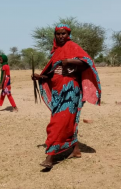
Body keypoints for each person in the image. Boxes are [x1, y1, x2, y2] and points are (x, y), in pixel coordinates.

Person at [31, 24, 101, 169]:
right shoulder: (56, 51)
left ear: (68, 34)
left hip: (70, 90)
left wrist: (69, 61)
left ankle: (50, 156)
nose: (61, 36)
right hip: (58, 90)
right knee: (67, 120)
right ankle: (75, 150)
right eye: (58, 34)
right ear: (55, 36)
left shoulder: (73, 46)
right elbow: (51, 71)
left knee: (58, 122)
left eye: (63, 34)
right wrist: (40, 77)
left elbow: (87, 63)